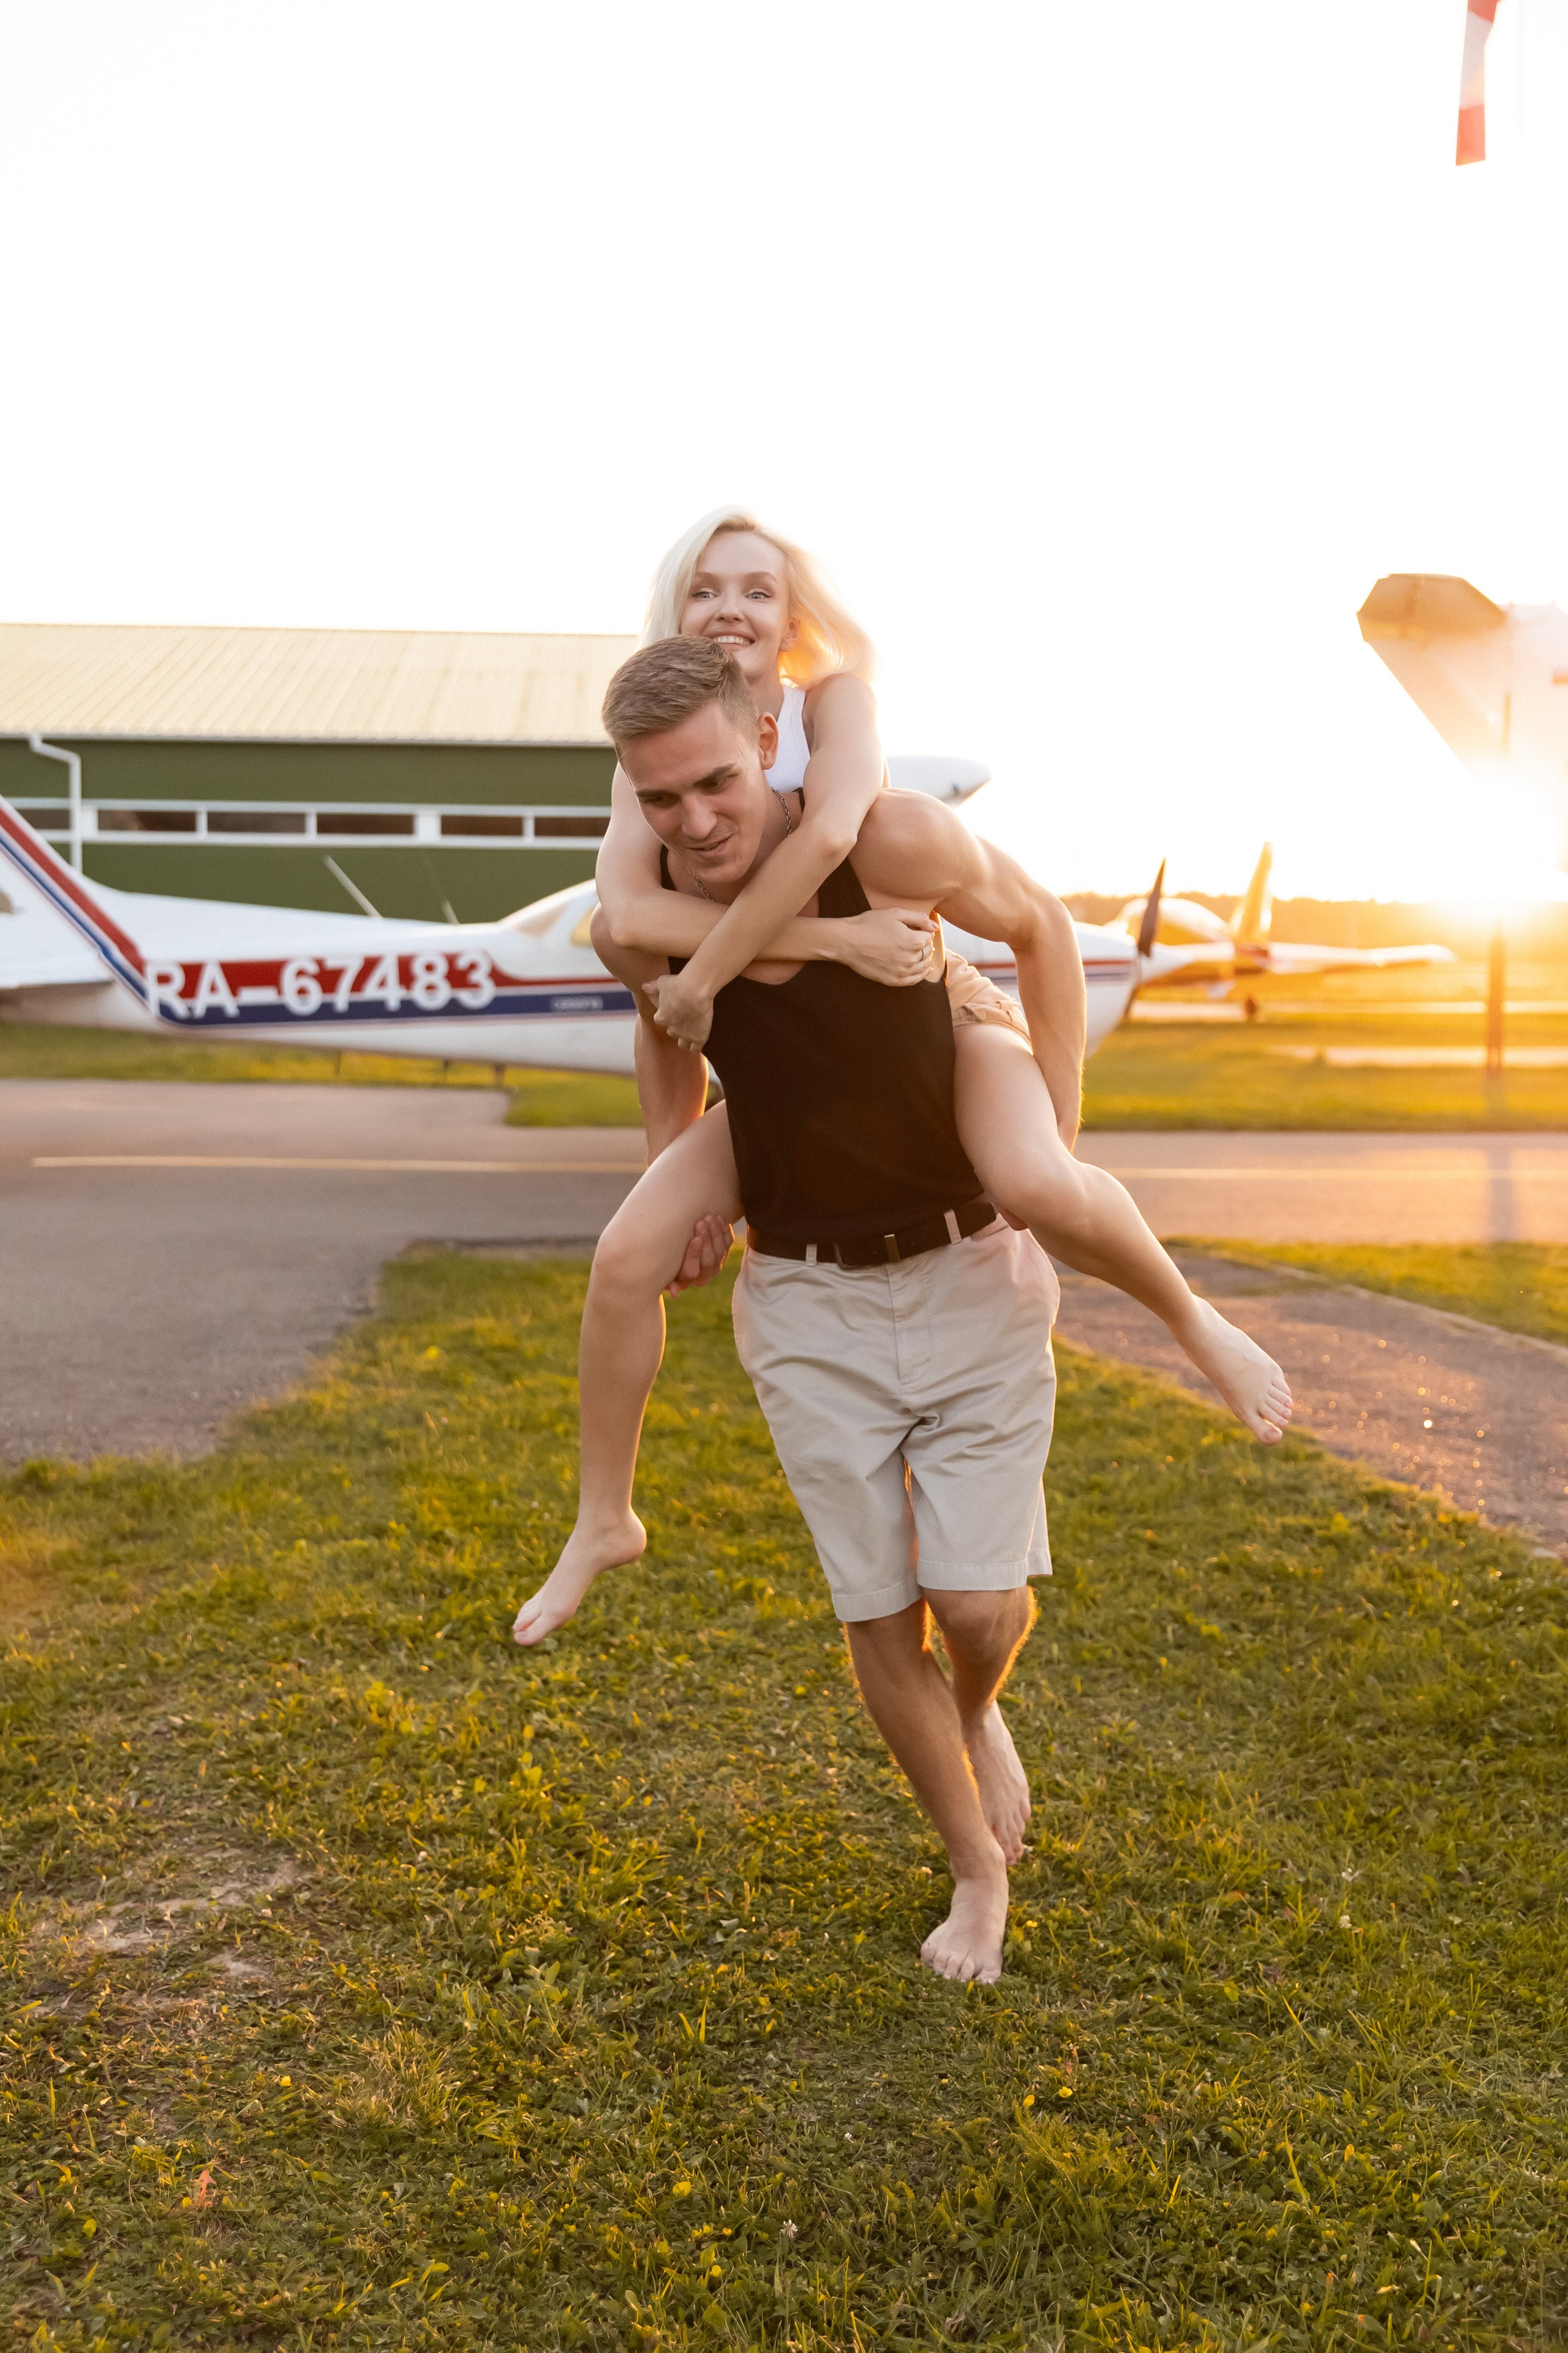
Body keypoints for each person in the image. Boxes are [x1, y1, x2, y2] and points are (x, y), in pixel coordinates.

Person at [513, 513, 1290, 1647]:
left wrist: (1060, 1118)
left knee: (1037, 1180)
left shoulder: (836, 711)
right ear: (670, 619)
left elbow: (836, 844)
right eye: (703, 591)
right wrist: (679, 1173)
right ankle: (603, 1514)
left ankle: (1191, 1316)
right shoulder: (653, 765)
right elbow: (635, 943)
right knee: (625, 1254)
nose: (730, 609)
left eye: (757, 591)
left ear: (794, 626)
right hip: (779, 1071)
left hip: (925, 1017)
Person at [572, 635, 1079, 1982]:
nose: (692, 821)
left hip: (960, 1261)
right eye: (659, 801)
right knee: (877, 1615)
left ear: (769, 732)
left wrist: (1057, 1156)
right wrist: (677, 1190)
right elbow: (663, 1022)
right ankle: (974, 1872)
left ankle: (981, 1711)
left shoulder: (881, 839)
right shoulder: (648, 905)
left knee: (976, 1614)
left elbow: (1036, 928)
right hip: (804, 1295)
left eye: (715, 785)